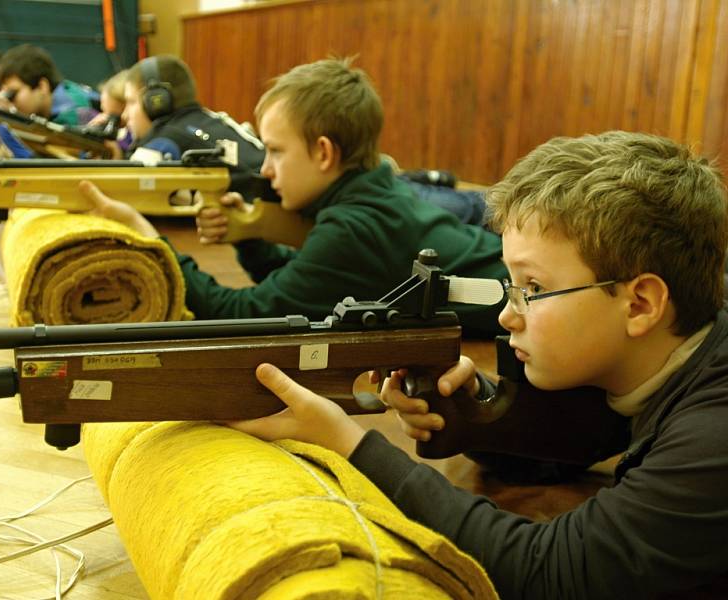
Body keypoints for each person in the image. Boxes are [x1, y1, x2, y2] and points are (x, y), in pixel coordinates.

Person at [225, 131, 728, 599]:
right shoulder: (672, 357)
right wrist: (479, 414)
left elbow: (552, 571)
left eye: (533, 288)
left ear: (640, 304)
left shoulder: (712, 434)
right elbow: (596, 433)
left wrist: (352, 448)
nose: (508, 314)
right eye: (511, 286)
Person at [79, 57, 507, 336]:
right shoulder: (366, 196)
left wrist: (150, 241)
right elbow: (304, 281)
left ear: (323, 153)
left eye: (277, 151)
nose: (265, 169)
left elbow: (239, 316)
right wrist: (249, 237)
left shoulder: (353, 227)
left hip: (524, 306)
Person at [117, 54, 266, 171]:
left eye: (131, 102)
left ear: (157, 101)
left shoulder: (161, 144)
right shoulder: (212, 119)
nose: (125, 115)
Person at [0, 44, 99, 126]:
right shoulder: (64, 92)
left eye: (13, 94)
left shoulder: (74, 114)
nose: (9, 101)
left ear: (41, 86)